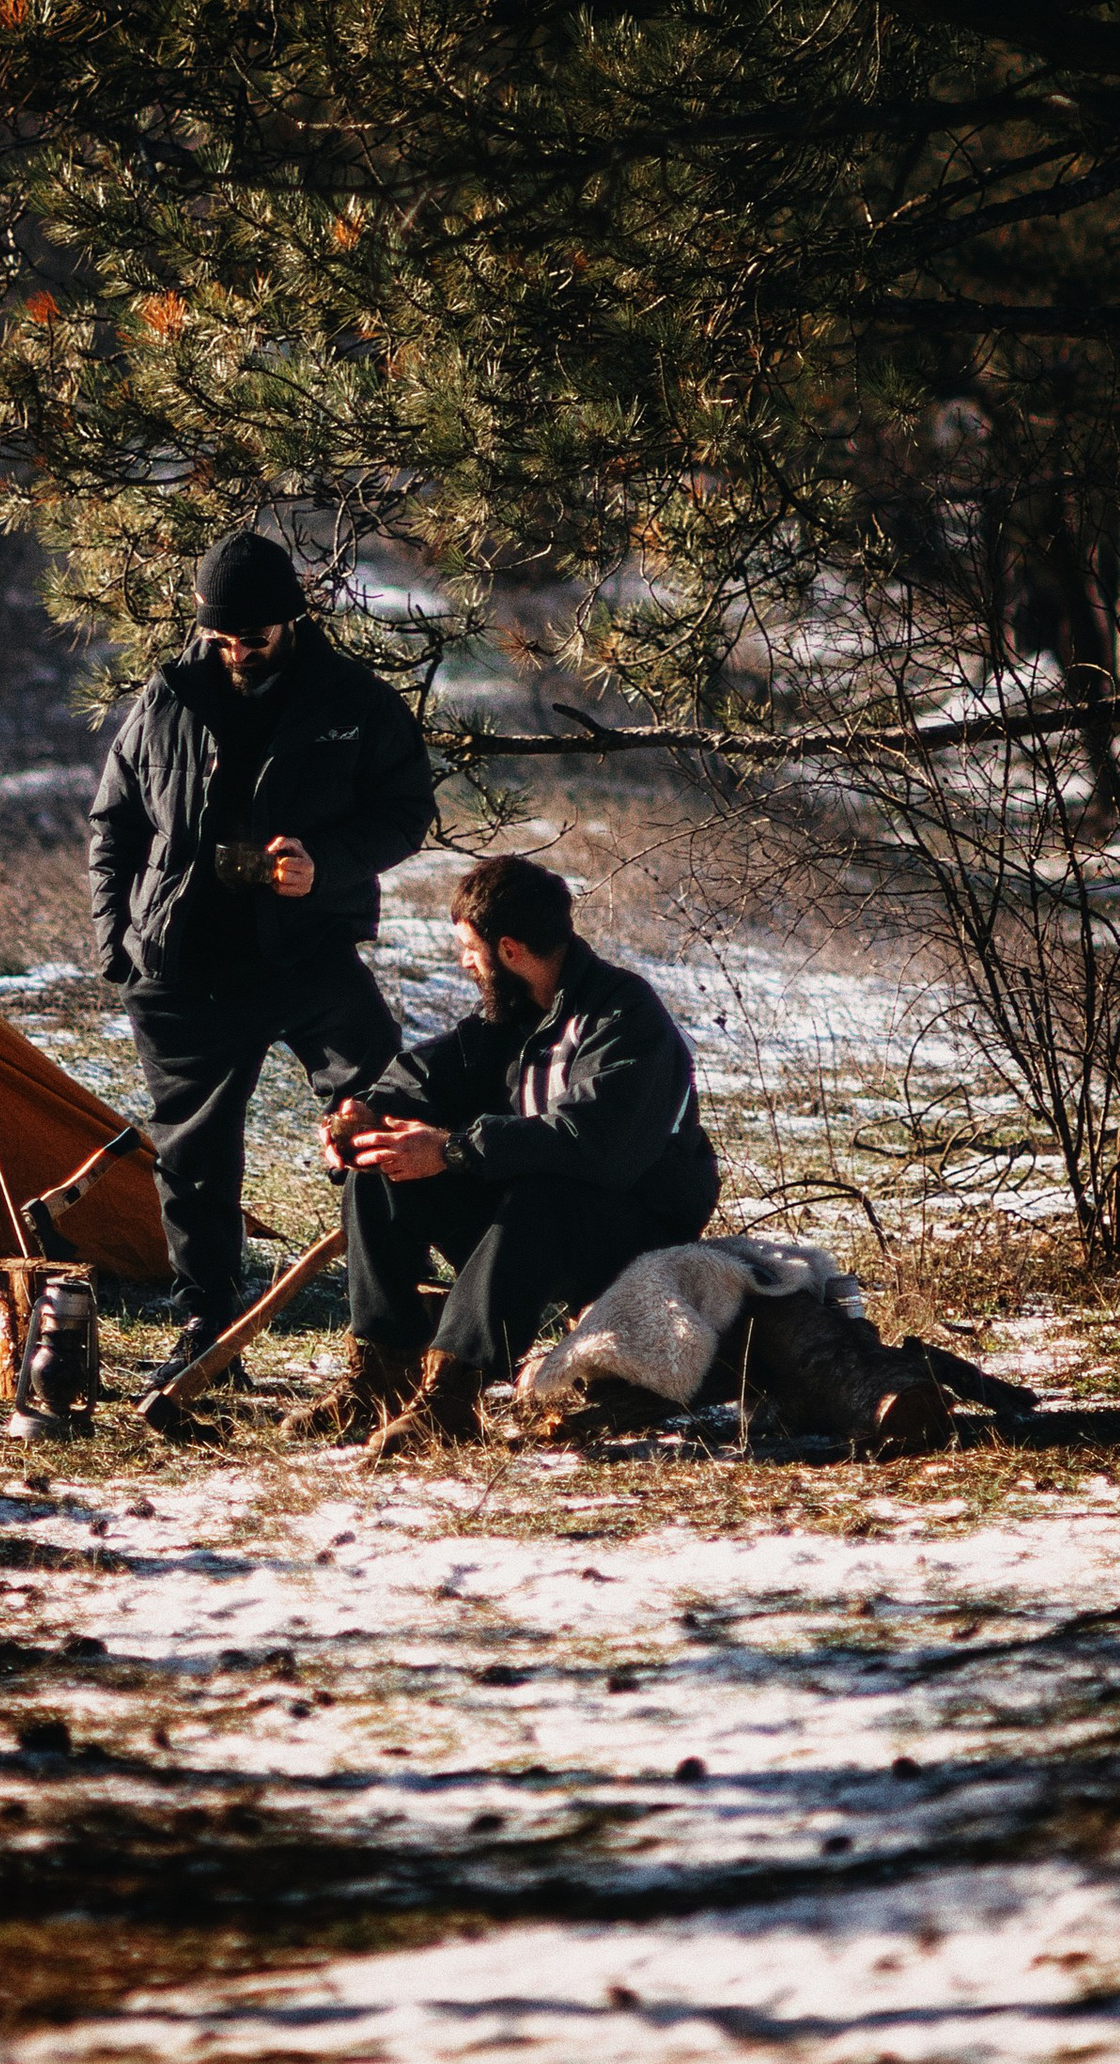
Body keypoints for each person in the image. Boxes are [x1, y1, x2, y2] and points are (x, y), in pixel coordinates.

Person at [89, 528, 435, 1387]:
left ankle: (393, 1325)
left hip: (308, 953)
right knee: (194, 1159)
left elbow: (406, 812)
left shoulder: (354, 700)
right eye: (223, 637)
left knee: (379, 1110)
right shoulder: (165, 697)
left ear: (292, 620)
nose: (239, 652)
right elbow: (114, 824)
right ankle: (207, 1330)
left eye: (256, 637)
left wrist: (328, 863)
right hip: (183, 962)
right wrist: (117, 949)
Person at [286, 851, 719, 1457]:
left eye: (471, 949)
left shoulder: (625, 1016)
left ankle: (451, 1397)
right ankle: (383, 1372)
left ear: (509, 949)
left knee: (541, 1196)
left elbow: (600, 1146)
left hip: (636, 1229)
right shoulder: (517, 1009)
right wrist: (364, 1117)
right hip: (536, 1224)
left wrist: (455, 1150)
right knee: (383, 1167)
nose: (465, 963)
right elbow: (432, 1070)